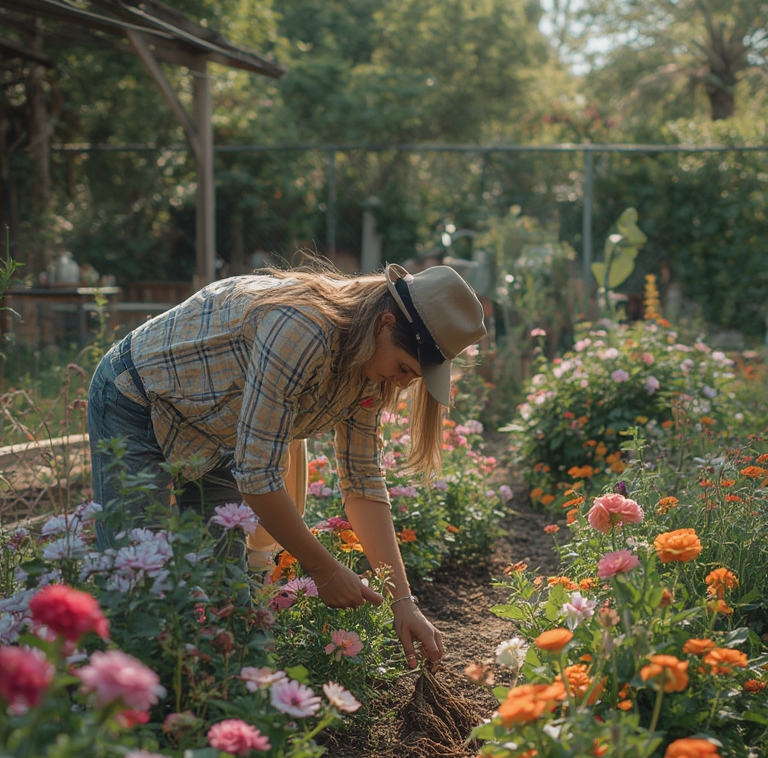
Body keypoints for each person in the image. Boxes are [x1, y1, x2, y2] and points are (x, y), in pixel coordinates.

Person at [87, 262, 487, 667]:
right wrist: (323, 569)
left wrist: (404, 601)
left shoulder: (371, 373)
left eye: (413, 377)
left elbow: (362, 479)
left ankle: (211, 710)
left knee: (228, 599)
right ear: (385, 324)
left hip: (218, 431)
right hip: (136, 401)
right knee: (136, 583)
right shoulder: (302, 329)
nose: (401, 383)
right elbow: (258, 475)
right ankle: (117, 710)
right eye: (404, 368)